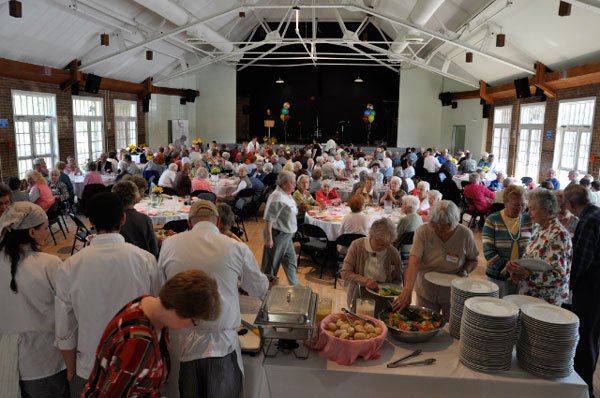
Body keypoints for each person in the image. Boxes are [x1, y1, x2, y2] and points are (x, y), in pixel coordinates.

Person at [55, 192, 161, 397]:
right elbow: (156, 314)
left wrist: (70, 369)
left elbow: (64, 329)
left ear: (91, 221)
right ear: (123, 218)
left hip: (90, 364)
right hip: (136, 362)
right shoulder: (145, 260)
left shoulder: (71, 265)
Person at [158, 200, 268, 398]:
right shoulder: (235, 247)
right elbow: (260, 287)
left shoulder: (169, 244)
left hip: (180, 341)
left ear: (189, 223)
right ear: (218, 222)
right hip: (222, 343)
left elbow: (160, 290)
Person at [82, 270, 220, 397]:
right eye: (193, 321)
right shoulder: (138, 344)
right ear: (177, 311)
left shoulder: (148, 304)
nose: (190, 326)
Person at [0, 202, 69, 398]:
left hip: (6, 358)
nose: (46, 233)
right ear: (32, 232)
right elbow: (66, 312)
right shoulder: (49, 264)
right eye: (45, 228)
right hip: (44, 359)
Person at [393, 201, 479, 321]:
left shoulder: (465, 234)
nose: (439, 229)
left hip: (453, 290)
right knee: (424, 323)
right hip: (426, 288)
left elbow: (473, 259)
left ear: (455, 222)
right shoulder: (423, 231)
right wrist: (407, 289)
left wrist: (465, 270)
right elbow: (414, 262)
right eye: (435, 224)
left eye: (445, 226)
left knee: (451, 327)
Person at [564, 185, 600, 397]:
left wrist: (567, 287)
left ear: (570, 204)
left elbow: (581, 260)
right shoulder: (596, 212)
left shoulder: (588, 220)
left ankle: (583, 388)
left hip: (592, 287)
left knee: (585, 336)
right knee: (593, 336)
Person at [506, 188, 572, 306]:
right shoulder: (539, 228)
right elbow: (532, 261)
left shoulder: (558, 234)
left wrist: (526, 274)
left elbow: (559, 277)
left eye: (532, 209)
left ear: (547, 209)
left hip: (545, 302)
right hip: (531, 297)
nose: (528, 213)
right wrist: (517, 272)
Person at [340, 218, 402, 313]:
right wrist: (365, 281)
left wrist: (392, 291)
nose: (384, 248)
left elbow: (397, 280)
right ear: (371, 236)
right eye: (380, 245)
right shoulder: (357, 246)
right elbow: (345, 273)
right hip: (359, 294)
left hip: (383, 299)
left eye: (387, 244)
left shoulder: (393, 252)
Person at [482, 185, 534, 297]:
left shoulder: (529, 220)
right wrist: (509, 271)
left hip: (522, 277)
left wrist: (522, 273)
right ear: (505, 203)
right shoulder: (492, 220)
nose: (520, 208)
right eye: (516, 205)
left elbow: (533, 247)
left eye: (523, 205)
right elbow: (488, 251)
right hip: (498, 276)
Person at [262, 171, 300, 285]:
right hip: (277, 235)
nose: (295, 185)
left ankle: (296, 287)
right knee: (271, 266)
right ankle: (265, 290)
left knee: (291, 262)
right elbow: (269, 219)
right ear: (284, 183)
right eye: (292, 183)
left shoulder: (286, 193)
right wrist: (269, 238)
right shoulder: (277, 197)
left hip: (287, 236)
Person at [112, 180, 159, 258]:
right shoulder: (145, 219)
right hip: (143, 262)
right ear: (134, 197)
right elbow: (154, 250)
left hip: (120, 260)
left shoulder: (111, 219)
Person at [394, 195, 423, 260]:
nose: (402, 206)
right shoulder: (419, 217)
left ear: (409, 207)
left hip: (403, 249)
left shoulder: (405, 220)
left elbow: (396, 236)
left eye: (403, 204)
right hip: (417, 247)